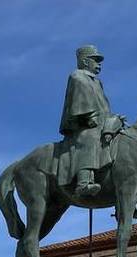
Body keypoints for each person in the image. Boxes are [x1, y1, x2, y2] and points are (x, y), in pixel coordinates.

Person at [59, 45, 114, 196]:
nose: (99, 64)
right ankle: (83, 182)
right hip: (84, 124)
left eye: (99, 61)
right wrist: (88, 116)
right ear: (84, 62)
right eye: (95, 60)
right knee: (89, 139)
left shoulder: (97, 82)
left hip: (102, 122)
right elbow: (78, 102)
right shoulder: (77, 77)